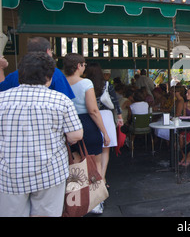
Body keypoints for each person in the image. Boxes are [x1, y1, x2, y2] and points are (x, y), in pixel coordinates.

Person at [0, 52, 83, 217]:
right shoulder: (60, 100)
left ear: (20, 74)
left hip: (9, 174)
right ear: (48, 76)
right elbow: (76, 135)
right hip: (50, 173)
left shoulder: (1, 99)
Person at [63, 53, 110, 215]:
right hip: (87, 125)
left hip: (67, 125)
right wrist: (105, 132)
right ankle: (96, 202)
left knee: (75, 166)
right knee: (95, 165)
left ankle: (76, 203)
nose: (84, 67)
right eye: (83, 65)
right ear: (78, 66)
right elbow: (93, 110)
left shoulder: (60, 82)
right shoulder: (86, 83)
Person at [85, 62, 124, 188]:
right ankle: (102, 177)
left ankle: (96, 177)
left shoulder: (85, 84)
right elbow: (115, 102)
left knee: (93, 149)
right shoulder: (106, 84)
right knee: (105, 149)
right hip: (106, 116)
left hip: (90, 116)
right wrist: (119, 117)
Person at [0, 37, 75, 99]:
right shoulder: (55, 73)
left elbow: (2, 90)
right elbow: (66, 99)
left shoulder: (15, 74)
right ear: (48, 51)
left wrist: (1, 68)